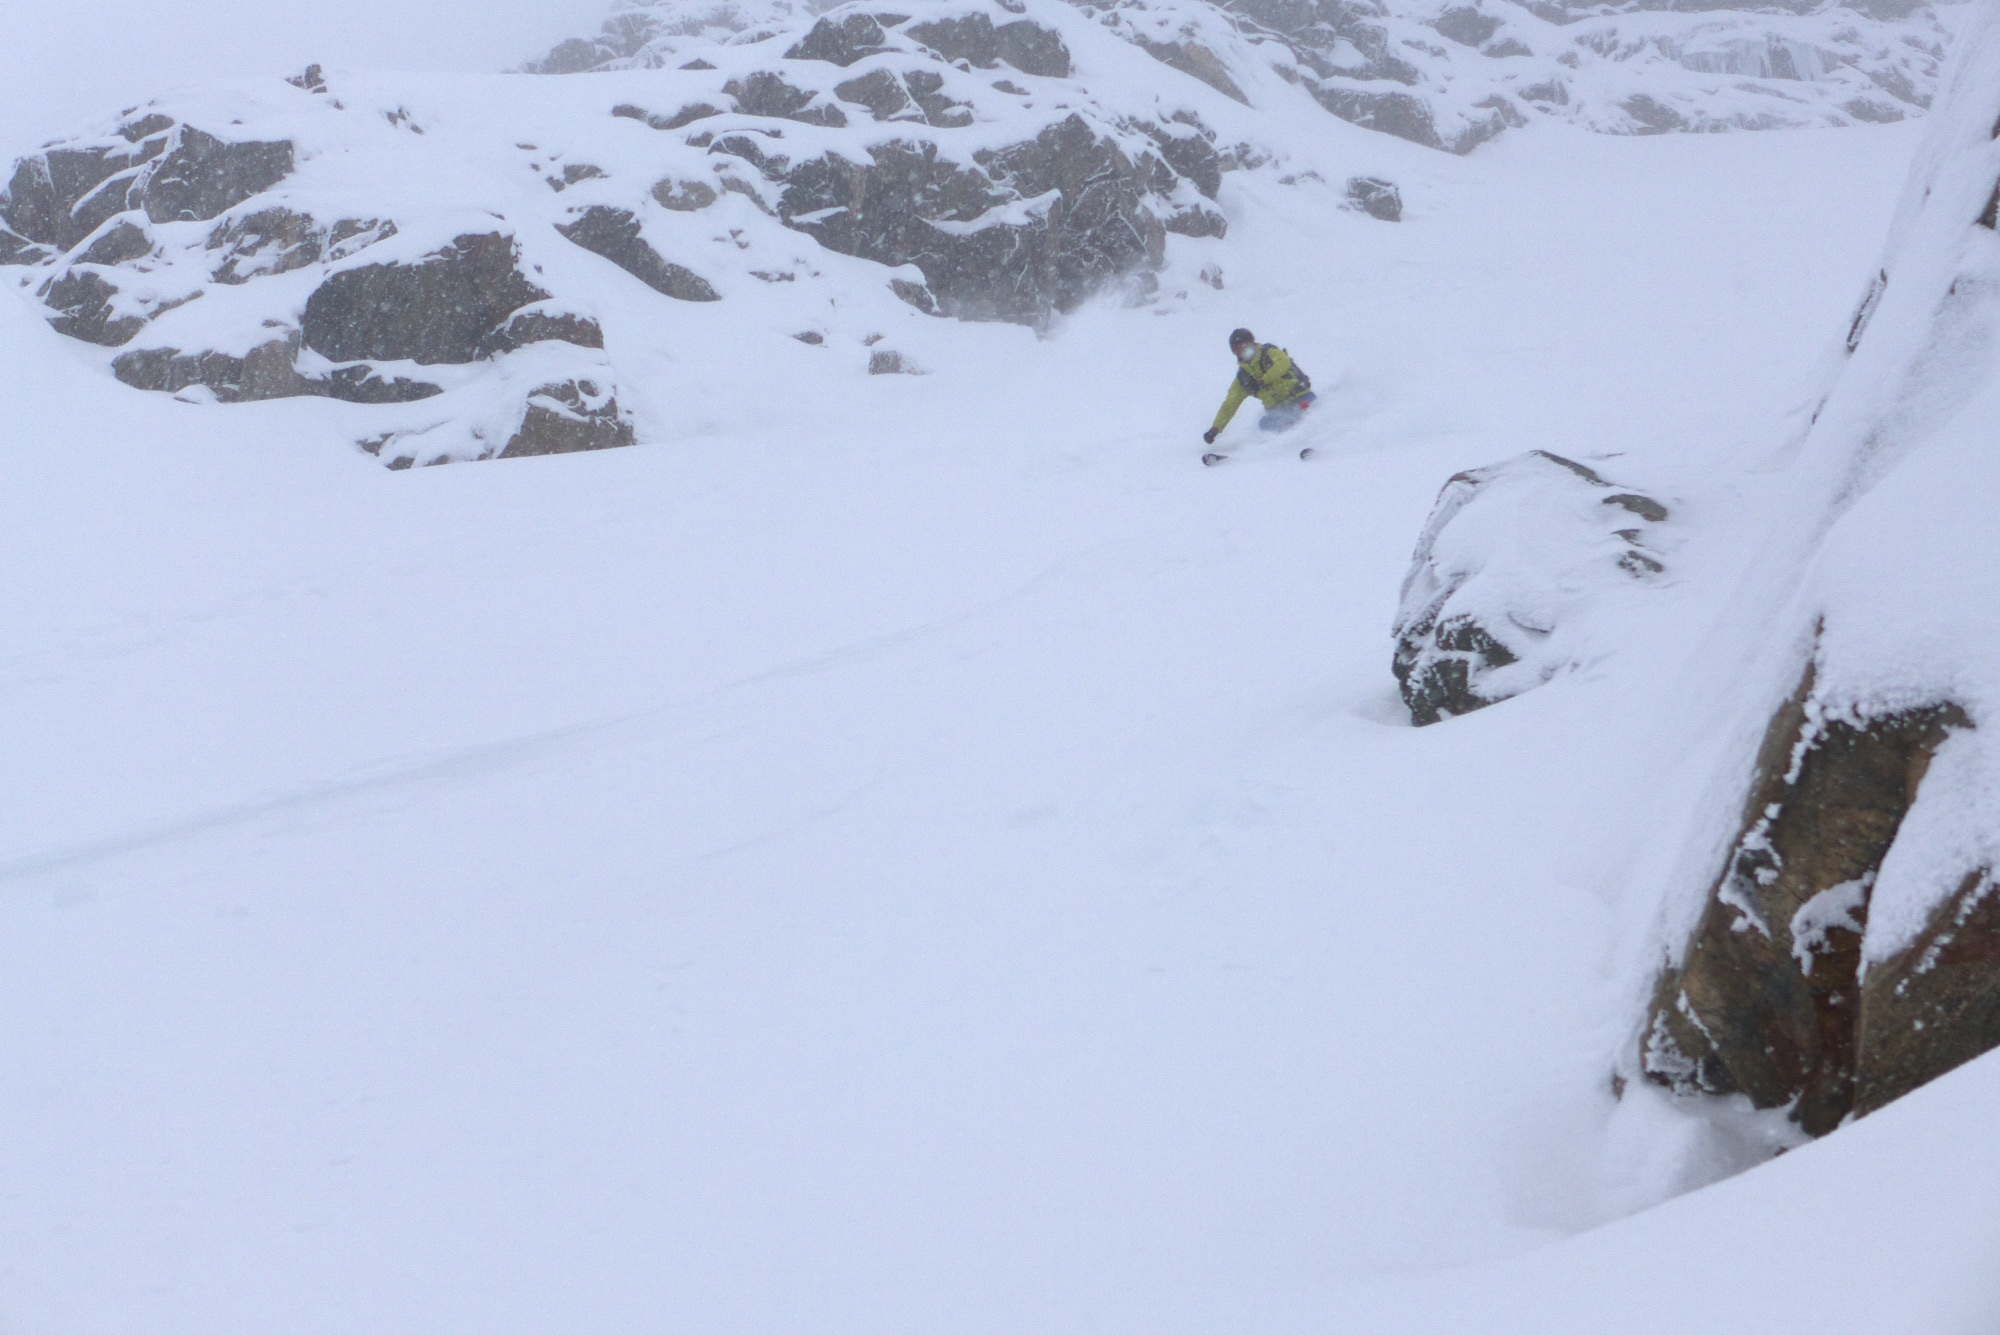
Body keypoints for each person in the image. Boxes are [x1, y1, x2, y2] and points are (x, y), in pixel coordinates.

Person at [1203, 328, 1316, 447]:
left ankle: (1313, 437)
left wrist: (1264, 380)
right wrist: (1215, 429)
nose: (1242, 351)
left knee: (1312, 410)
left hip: (1300, 397)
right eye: (1237, 349)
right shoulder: (1244, 377)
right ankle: (1286, 445)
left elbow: (1283, 363)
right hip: (1279, 411)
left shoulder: (1269, 352)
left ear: (1253, 343)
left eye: (1244, 346)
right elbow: (1230, 404)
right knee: (1264, 424)